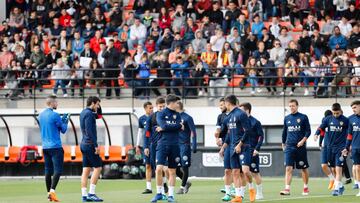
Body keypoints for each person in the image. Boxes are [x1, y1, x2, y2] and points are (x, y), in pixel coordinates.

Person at [219, 95, 254, 203]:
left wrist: (240, 144)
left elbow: (248, 131)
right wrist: (223, 147)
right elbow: (229, 135)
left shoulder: (241, 114)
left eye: (224, 103)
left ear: (228, 103)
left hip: (243, 147)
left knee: (245, 171)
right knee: (235, 171)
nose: (224, 105)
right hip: (233, 148)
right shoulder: (228, 117)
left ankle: (251, 188)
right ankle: (239, 196)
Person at [151, 95, 183, 203]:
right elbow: (165, 126)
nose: (178, 105)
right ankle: (159, 193)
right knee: (159, 169)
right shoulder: (161, 113)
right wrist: (177, 126)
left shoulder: (177, 114)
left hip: (175, 145)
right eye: (177, 103)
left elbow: (165, 127)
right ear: (172, 103)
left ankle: (170, 195)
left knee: (172, 171)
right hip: (162, 145)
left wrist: (166, 128)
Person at [38, 95, 69, 202]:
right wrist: (65, 121)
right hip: (55, 147)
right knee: (58, 170)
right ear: (52, 103)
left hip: (45, 147)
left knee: (48, 170)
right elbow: (63, 130)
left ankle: (49, 194)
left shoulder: (40, 115)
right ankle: (52, 192)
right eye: (56, 102)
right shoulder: (55, 115)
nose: (57, 104)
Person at [315, 103, 348, 196]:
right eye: (334, 113)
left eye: (337, 113)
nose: (336, 115)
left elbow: (350, 133)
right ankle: (338, 184)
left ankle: (336, 189)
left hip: (340, 148)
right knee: (328, 167)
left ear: (340, 111)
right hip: (329, 147)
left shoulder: (345, 120)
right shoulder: (328, 119)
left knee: (338, 169)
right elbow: (321, 127)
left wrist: (348, 146)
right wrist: (316, 133)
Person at [280, 99, 311, 196]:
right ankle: (287, 189)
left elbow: (308, 131)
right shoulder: (287, 118)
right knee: (288, 168)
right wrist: (283, 143)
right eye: (290, 106)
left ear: (297, 106)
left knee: (303, 168)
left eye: (293, 106)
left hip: (300, 147)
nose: (291, 108)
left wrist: (303, 141)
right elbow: (284, 132)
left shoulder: (303, 117)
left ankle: (305, 187)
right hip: (289, 146)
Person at [80, 96, 104, 202]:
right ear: (93, 103)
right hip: (90, 144)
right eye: (97, 104)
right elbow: (90, 131)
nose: (98, 106)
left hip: (83, 144)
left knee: (86, 170)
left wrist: (98, 107)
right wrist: (95, 145)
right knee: (98, 168)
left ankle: (84, 195)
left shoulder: (84, 112)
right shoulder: (89, 114)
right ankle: (91, 193)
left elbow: (99, 116)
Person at [239, 102, 264, 200]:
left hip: (252, 150)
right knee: (242, 172)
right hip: (242, 150)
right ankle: (241, 193)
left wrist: (257, 148)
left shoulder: (255, 122)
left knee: (254, 172)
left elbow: (261, 136)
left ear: (247, 110)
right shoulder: (239, 122)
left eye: (241, 110)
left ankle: (260, 193)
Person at [144, 97, 168, 199]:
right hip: (154, 146)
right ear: (156, 106)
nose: (161, 108)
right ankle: (161, 191)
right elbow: (147, 133)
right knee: (157, 168)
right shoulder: (151, 117)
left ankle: (167, 187)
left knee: (166, 169)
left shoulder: (168, 116)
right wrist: (146, 146)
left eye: (163, 106)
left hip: (166, 145)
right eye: (160, 107)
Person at [176, 102, 197, 194]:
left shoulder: (187, 118)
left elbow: (193, 132)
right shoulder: (173, 117)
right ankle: (187, 183)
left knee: (184, 166)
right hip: (175, 146)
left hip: (185, 145)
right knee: (176, 168)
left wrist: (194, 144)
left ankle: (182, 187)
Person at [215, 98, 234, 201]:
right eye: (220, 105)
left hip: (235, 144)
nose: (221, 106)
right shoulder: (220, 117)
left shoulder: (233, 115)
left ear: (227, 104)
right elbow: (218, 130)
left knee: (237, 171)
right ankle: (228, 193)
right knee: (227, 170)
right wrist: (217, 139)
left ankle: (238, 190)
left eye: (222, 105)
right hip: (226, 145)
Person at [314, 110, 335, 190]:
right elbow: (322, 132)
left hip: (334, 146)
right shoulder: (325, 120)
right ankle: (331, 179)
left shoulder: (336, 121)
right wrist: (319, 143)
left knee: (333, 166)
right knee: (323, 165)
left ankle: (337, 182)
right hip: (325, 145)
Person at [136, 102, 154, 194]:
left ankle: (164, 184)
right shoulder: (141, 119)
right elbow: (140, 133)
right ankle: (148, 188)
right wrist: (137, 145)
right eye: (150, 108)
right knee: (147, 165)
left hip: (156, 145)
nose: (152, 109)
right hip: (146, 146)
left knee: (160, 166)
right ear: (145, 109)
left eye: (152, 108)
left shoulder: (156, 117)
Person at [343, 100, 360, 196]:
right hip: (355, 148)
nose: (353, 109)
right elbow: (349, 135)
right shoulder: (351, 119)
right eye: (352, 108)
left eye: (355, 107)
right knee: (357, 168)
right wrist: (346, 147)